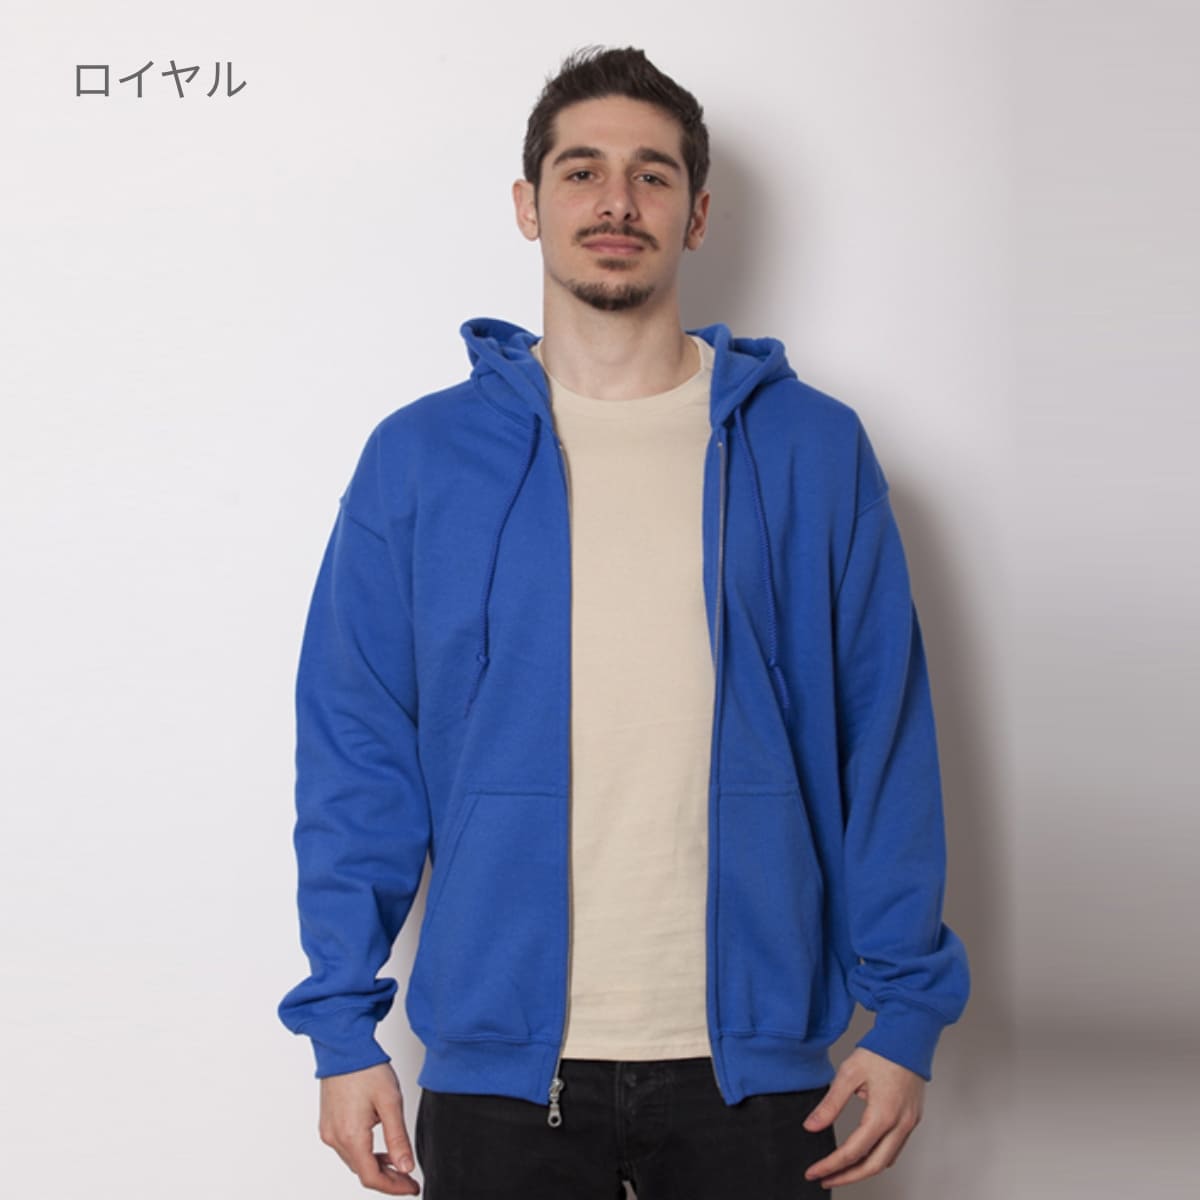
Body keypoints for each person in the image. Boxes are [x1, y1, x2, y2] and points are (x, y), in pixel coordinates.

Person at [277, 44, 971, 1198]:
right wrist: (342, 1028)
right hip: (502, 1075)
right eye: (582, 171)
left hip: (757, 1076)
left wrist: (906, 1015)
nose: (616, 201)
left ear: (697, 215)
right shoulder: (420, 459)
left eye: (652, 175)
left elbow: (883, 739)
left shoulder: (812, 449)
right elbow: (358, 754)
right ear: (528, 205)